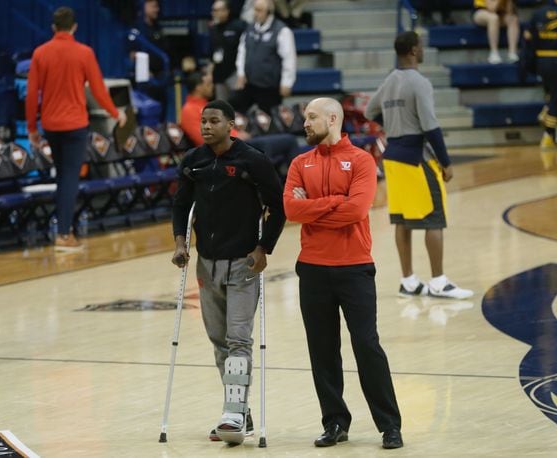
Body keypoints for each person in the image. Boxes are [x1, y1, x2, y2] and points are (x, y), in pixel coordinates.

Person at [283, 97, 403, 450]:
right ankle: (335, 422)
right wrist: (333, 202)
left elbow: (356, 210)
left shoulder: (362, 160)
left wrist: (314, 209)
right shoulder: (299, 162)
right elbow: (291, 209)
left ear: (333, 119)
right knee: (322, 350)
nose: (305, 123)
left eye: (312, 117)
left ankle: (389, 425)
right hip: (313, 269)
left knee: (367, 346)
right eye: (305, 117)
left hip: (354, 268)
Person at [171, 99, 285, 443]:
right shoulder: (193, 162)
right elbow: (181, 205)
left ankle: (232, 413)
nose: (206, 126)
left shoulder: (252, 161)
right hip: (207, 264)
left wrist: (264, 248)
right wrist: (180, 244)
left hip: (243, 263)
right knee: (219, 341)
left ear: (230, 125)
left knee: (238, 340)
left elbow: (277, 206)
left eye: (214, 121)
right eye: (203, 121)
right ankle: (239, 412)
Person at [364, 32, 473, 299]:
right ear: (414, 50)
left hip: (392, 158)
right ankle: (438, 281)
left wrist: (391, 123)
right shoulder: (419, 82)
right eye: (421, 47)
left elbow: (369, 111)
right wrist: (446, 162)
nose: (422, 50)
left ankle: (409, 281)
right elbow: (431, 127)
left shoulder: (390, 80)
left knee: (403, 220)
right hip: (416, 158)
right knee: (434, 218)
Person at [26, 6, 127, 251]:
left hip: (50, 124)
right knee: (69, 179)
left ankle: (63, 229)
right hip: (75, 125)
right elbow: (98, 89)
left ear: (53, 28)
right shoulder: (85, 53)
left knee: (63, 177)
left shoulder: (40, 53)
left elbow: (31, 95)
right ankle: (63, 234)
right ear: (74, 27)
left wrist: (32, 128)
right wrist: (116, 113)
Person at [180, 69, 299, 178]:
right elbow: (204, 138)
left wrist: (237, 134)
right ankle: (272, 191)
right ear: (198, 88)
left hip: (239, 144)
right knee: (267, 149)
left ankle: (291, 187)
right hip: (226, 151)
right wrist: (235, 137)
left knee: (289, 140)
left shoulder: (208, 105)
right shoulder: (189, 110)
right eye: (208, 84)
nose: (212, 87)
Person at [524, 0, 557, 152]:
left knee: (549, 93)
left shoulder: (538, 12)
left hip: (540, 60)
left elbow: (527, 35)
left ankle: (548, 120)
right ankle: (548, 134)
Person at [230, 0, 296, 114]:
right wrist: (241, 73)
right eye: (255, 9)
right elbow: (242, 51)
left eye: (259, 10)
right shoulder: (249, 28)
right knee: (233, 108)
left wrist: (287, 83)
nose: (255, 13)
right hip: (249, 83)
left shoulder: (282, 31)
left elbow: (289, 58)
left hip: (269, 86)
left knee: (270, 118)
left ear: (269, 12)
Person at [210, 0, 247, 102]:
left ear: (226, 11)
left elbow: (246, 50)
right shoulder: (213, 28)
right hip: (219, 74)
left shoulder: (239, 26)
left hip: (235, 73)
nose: (214, 13)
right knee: (222, 109)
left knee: (238, 105)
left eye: (217, 10)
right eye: (213, 10)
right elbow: (213, 51)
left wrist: (242, 73)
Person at [472, 0, 520, 64]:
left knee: (513, 19)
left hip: (500, 12)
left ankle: (512, 53)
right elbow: (492, 8)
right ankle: (494, 53)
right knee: (494, 18)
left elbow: (509, 12)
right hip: (481, 11)